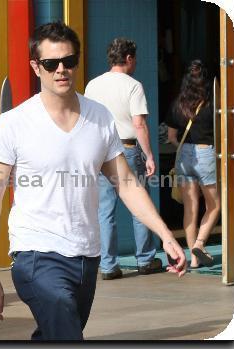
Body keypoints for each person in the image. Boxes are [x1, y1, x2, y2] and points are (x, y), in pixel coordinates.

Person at [0, 21, 186, 341]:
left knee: (56, 333)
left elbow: (126, 184)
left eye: (69, 61)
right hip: (36, 254)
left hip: (87, 256)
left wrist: (165, 235)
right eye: (51, 64)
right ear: (36, 67)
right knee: (66, 332)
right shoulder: (13, 124)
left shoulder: (98, 117)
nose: (61, 70)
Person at [84, 38, 162, 279]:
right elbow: (139, 124)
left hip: (100, 151)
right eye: (135, 58)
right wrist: (148, 155)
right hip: (127, 149)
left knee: (105, 210)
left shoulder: (92, 85)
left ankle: (108, 265)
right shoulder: (133, 86)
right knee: (139, 206)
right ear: (128, 58)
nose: (135, 63)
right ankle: (145, 259)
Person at [166, 59, 220, 268]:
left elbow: (171, 136)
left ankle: (194, 260)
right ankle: (200, 243)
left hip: (184, 155)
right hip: (206, 154)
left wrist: (186, 148)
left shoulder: (178, 103)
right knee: (214, 205)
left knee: (190, 209)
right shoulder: (214, 102)